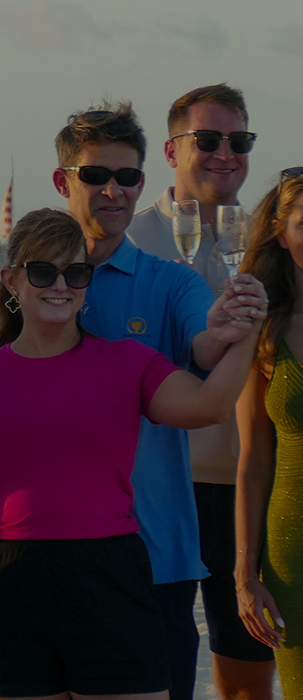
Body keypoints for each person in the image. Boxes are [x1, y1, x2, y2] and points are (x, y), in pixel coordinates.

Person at [0, 103, 264, 700]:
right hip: (25, 559)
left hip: (154, 559)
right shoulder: (8, 297)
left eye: (128, 177)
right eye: (96, 175)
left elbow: (204, 347)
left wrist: (242, 321)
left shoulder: (171, 282)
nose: (114, 191)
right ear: (62, 182)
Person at [125, 84, 274, 699]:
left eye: (238, 141)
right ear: (170, 151)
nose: (225, 153)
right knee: (157, 668)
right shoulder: (133, 239)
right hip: (154, 486)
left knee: (245, 668)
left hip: (244, 485)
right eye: (207, 140)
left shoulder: (271, 244)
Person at [231, 169, 303, 689]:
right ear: (281, 232)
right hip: (292, 555)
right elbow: (254, 462)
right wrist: (244, 576)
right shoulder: (266, 330)